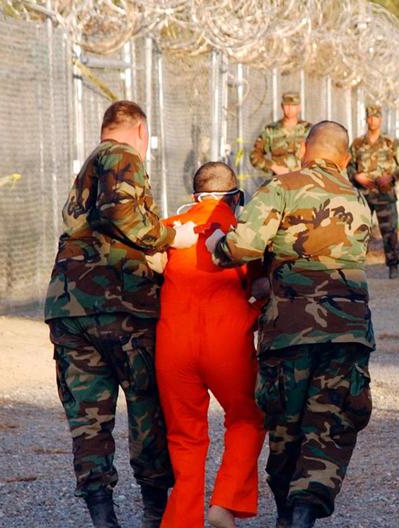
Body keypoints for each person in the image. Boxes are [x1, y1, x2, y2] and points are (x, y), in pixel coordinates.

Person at [207, 121, 375, 528]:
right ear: (345, 158)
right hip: (348, 328)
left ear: (304, 148)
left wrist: (216, 245)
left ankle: (287, 511)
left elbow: (244, 244)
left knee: (286, 422)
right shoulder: (359, 199)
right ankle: (303, 513)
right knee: (330, 422)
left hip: (291, 328)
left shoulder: (281, 188)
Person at [44, 100, 198, 528]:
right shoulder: (121, 155)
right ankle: (153, 512)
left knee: (88, 416)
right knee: (148, 408)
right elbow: (122, 212)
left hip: (71, 307)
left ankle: (102, 516)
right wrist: (170, 238)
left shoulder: (91, 164)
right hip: (122, 306)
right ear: (141, 130)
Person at [154, 162, 267, 528]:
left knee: (185, 436)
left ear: (194, 197)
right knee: (247, 417)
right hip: (227, 343)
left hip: (174, 345)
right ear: (235, 197)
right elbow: (262, 289)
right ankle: (224, 503)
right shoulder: (242, 234)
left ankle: (183, 520)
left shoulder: (170, 230)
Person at [347, 104, 399, 279]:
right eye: (370, 117)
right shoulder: (357, 144)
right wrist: (356, 176)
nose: (373, 120)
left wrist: (391, 177)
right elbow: (348, 165)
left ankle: (393, 267)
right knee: (359, 231)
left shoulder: (391, 143)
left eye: (376, 117)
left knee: (389, 231)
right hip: (363, 194)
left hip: (384, 194)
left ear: (381, 119)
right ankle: (356, 268)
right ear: (366, 119)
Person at [250, 91, 311, 178]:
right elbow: (255, 155)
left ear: (299, 107)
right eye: (287, 105)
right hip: (279, 180)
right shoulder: (271, 130)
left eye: (293, 105)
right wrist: (273, 167)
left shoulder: (308, 129)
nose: (290, 109)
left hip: (303, 180)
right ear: (282, 106)